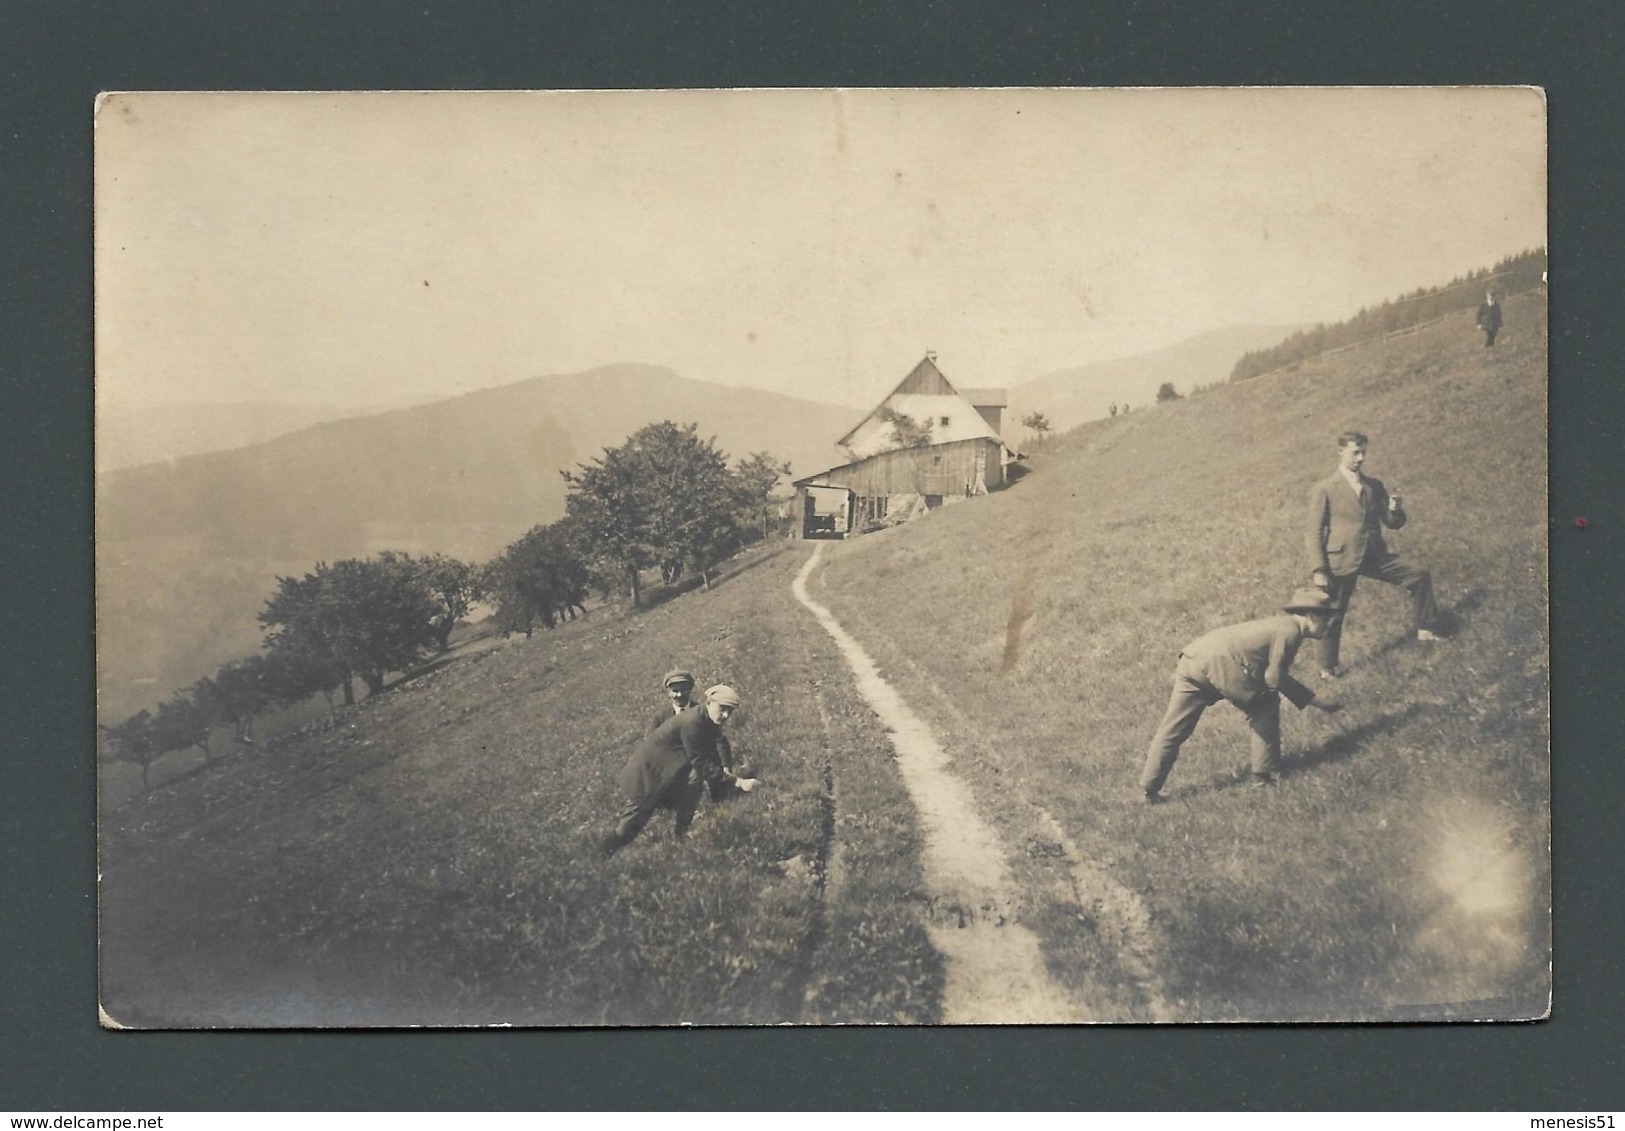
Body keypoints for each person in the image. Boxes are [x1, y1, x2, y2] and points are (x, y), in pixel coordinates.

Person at [1139, 589, 1343, 803]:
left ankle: (1149, 790)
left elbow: (1273, 676)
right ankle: (1264, 776)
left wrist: (1315, 701)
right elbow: (1274, 678)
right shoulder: (1290, 631)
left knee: (1173, 727)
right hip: (1220, 663)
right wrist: (1318, 702)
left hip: (1192, 658)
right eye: (1327, 618)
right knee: (1265, 706)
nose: (1329, 624)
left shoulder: (1278, 624)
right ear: (1311, 616)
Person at [1306, 431, 1441, 678]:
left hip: (1374, 555)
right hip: (1341, 559)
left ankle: (1426, 629)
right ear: (1340, 452)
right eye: (1355, 452)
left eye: (1363, 452)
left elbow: (1392, 523)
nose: (1360, 458)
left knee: (1419, 575)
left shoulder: (1374, 485)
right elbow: (1313, 532)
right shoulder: (1325, 488)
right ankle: (1327, 667)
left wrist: (1394, 510)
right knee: (1334, 612)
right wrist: (1319, 569)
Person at [601, 685, 760, 856]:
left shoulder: (706, 718)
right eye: (722, 709)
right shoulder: (693, 722)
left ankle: (680, 836)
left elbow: (714, 747)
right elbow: (700, 761)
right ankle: (602, 853)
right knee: (632, 823)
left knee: (694, 783)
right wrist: (737, 782)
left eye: (730, 711)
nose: (726, 716)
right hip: (649, 775)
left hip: (667, 770)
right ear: (708, 702)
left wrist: (726, 776)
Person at [652, 668, 738, 794]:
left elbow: (719, 740)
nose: (680, 695)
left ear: (690, 690)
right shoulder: (661, 717)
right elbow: (654, 746)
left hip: (700, 760)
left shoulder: (702, 712)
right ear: (668, 692)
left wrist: (726, 767)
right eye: (675, 691)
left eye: (684, 690)